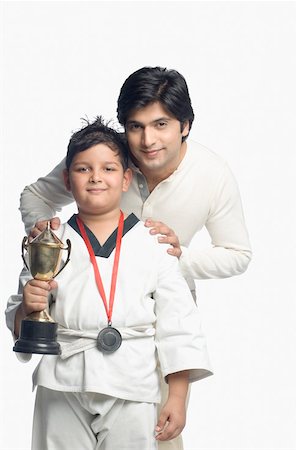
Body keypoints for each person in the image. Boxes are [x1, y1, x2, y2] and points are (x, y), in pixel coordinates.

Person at [18, 66, 252, 450]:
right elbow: (34, 195)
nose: (147, 140)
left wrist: (179, 257)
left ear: (185, 125)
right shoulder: (103, 155)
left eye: (161, 124)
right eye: (135, 126)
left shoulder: (213, 174)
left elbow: (238, 255)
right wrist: (44, 242)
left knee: (159, 436)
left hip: (151, 322)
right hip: (74, 333)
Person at [6, 117, 212, 450]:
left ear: (127, 178)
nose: (96, 178)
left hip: (134, 382)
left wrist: (177, 394)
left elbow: (179, 323)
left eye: (109, 169)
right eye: (83, 169)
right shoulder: (48, 241)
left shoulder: (154, 242)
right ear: (67, 180)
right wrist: (27, 307)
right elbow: (19, 317)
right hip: (63, 381)